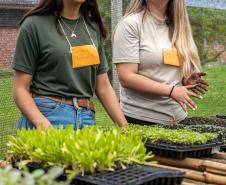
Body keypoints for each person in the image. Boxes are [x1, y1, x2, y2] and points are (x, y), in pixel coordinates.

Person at [12, 0, 127, 129]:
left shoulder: (92, 28)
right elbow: (20, 89)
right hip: (47, 115)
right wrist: (44, 127)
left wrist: (126, 129)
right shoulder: (34, 25)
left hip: (86, 117)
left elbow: (103, 87)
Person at [113, 0, 208, 125]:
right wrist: (171, 91)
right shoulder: (130, 24)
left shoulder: (178, 26)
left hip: (178, 120)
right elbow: (127, 77)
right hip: (141, 120)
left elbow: (165, 71)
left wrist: (185, 80)